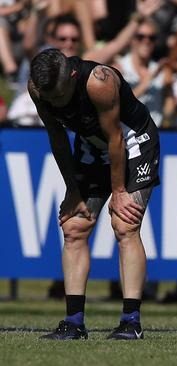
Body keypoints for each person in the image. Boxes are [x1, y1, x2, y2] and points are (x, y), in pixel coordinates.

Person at [28, 48, 160, 340]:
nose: (54, 103)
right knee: (74, 227)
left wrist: (119, 192)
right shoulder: (39, 88)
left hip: (132, 141)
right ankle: (73, 323)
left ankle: (131, 322)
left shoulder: (100, 82)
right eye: (49, 98)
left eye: (60, 97)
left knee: (125, 225)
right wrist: (72, 190)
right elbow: (57, 137)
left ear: (72, 76)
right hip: (92, 146)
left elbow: (116, 139)